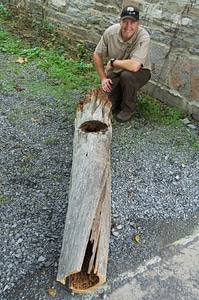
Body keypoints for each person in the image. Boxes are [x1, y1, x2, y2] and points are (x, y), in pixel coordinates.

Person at [94, 5, 151, 122]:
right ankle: (120, 96)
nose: (128, 26)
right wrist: (103, 78)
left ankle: (127, 109)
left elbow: (135, 66)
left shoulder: (143, 36)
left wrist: (113, 62)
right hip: (118, 71)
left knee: (127, 76)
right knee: (105, 102)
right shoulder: (110, 32)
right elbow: (97, 54)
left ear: (138, 23)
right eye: (125, 22)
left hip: (140, 72)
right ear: (120, 21)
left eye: (132, 22)